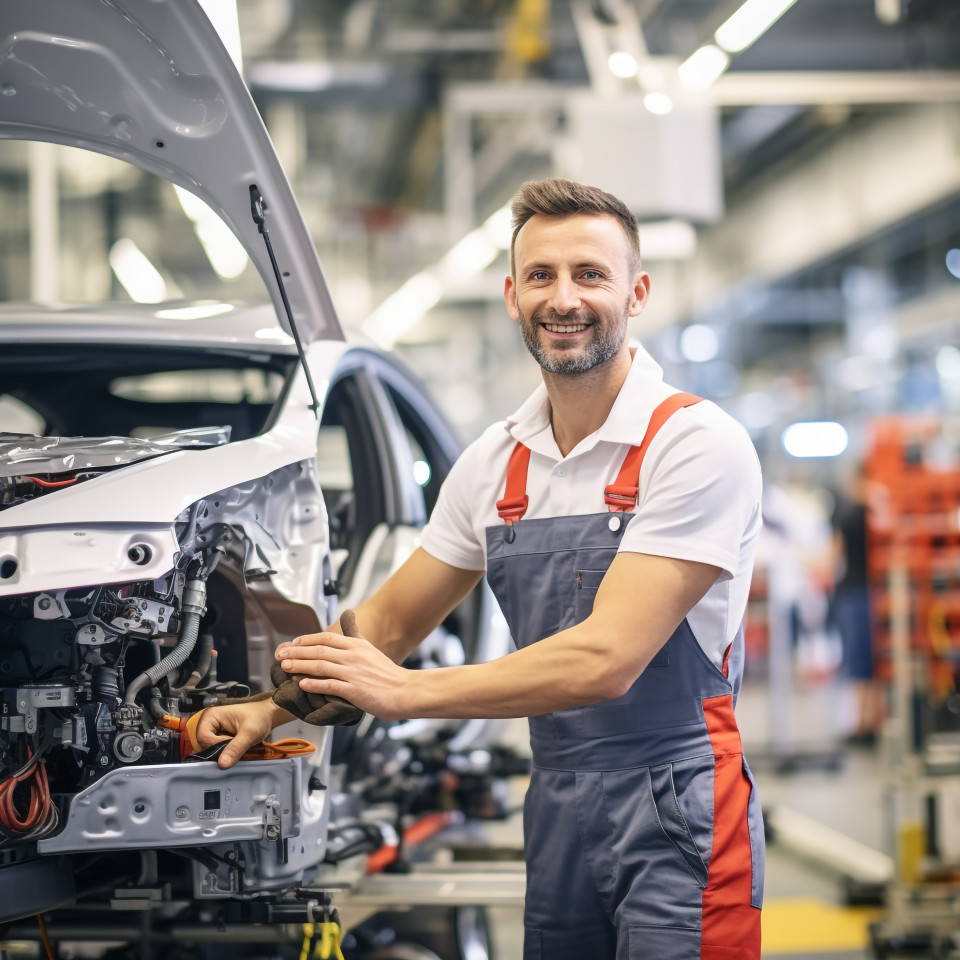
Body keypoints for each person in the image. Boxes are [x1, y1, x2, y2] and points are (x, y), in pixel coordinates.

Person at [198, 178, 765, 959]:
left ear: (636, 293)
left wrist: (406, 693)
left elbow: (607, 659)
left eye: (590, 275)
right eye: (541, 276)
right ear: (511, 295)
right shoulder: (494, 463)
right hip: (558, 800)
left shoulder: (695, 444)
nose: (563, 298)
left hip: (679, 800)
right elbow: (388, 623)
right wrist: (273, 708)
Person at [830, 465, 883, 745]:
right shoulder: (878, 512)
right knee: (873, 659)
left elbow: (833, 556)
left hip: (853, 593)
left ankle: (862, 723)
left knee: (857, 659)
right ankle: (874, 719)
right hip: (876, 592)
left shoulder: (849, 515)